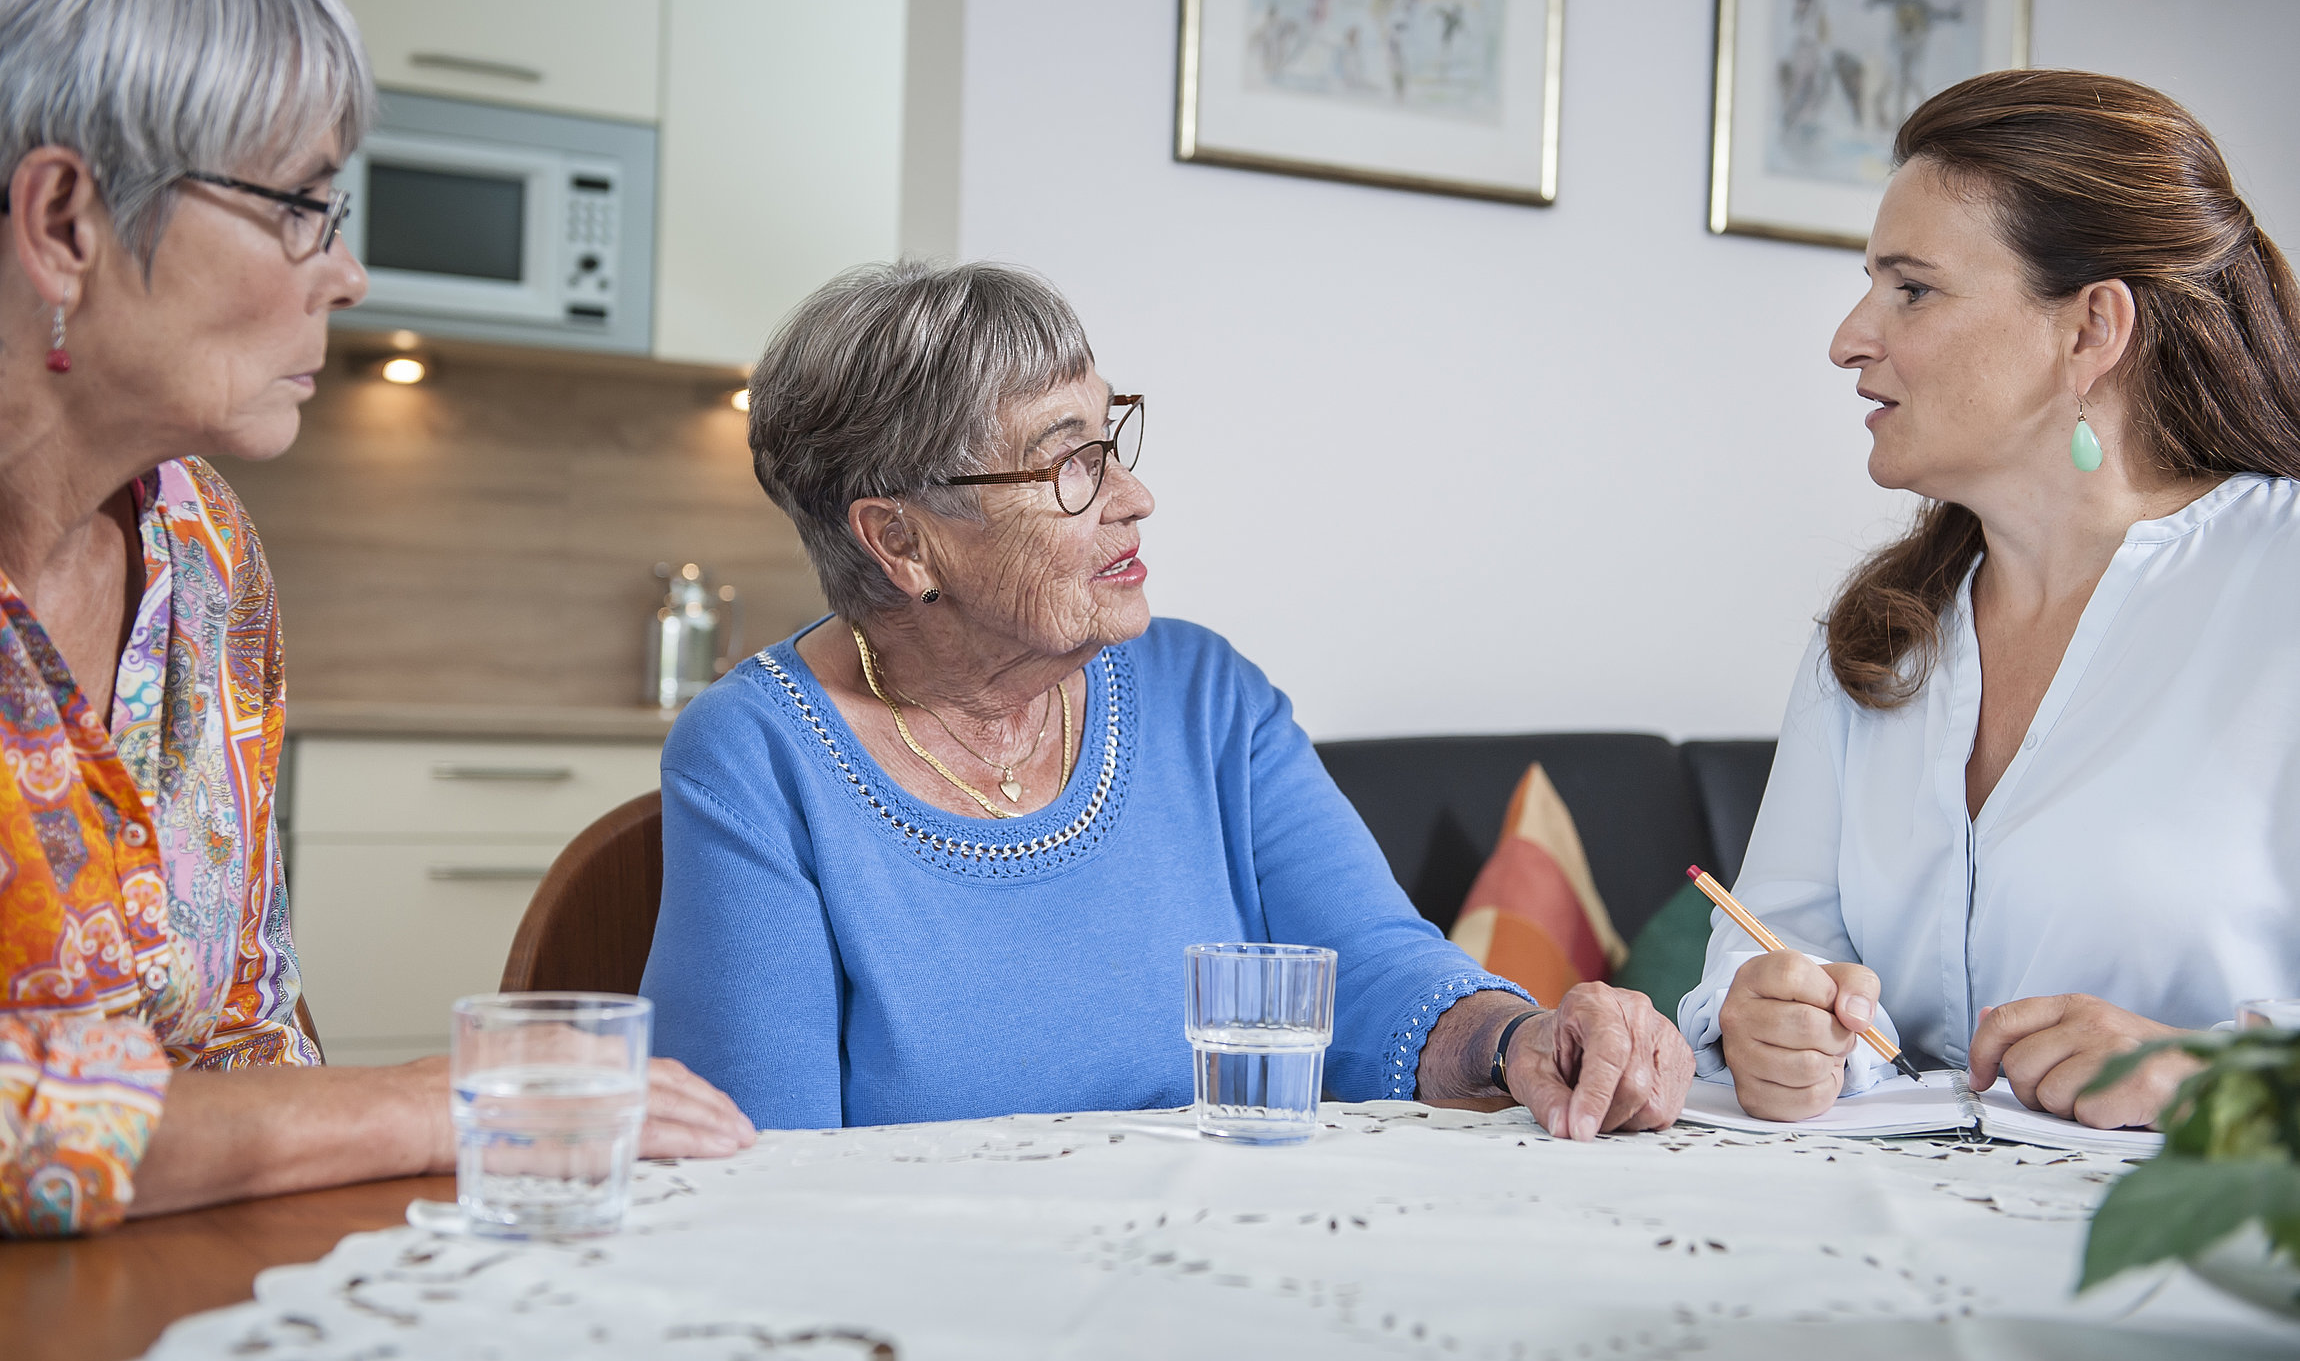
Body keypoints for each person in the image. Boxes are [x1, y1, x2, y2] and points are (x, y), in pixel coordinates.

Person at [0, 0, 751, 1238]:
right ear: (64, 223)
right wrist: (438, 1093)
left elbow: (247, 1041)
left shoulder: (203, 550)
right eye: (298, 204)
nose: (344, 273)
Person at [642, 259, 1694, 1137]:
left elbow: (1371, 962)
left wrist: (1519, 1041)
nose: (1133, 497)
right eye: (1068, 465)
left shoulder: (1205, 698)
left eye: (1114, 439)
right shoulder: (755, 753)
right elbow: (757, 1156)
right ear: (900, 539)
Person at [1678, 70, 2300, 1128]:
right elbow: (1767, 940)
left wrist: (2216, 1075)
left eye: (1909, 289)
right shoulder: (1875, 639)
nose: (1848, 337)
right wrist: (1764, 1021)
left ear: (2088, 330)